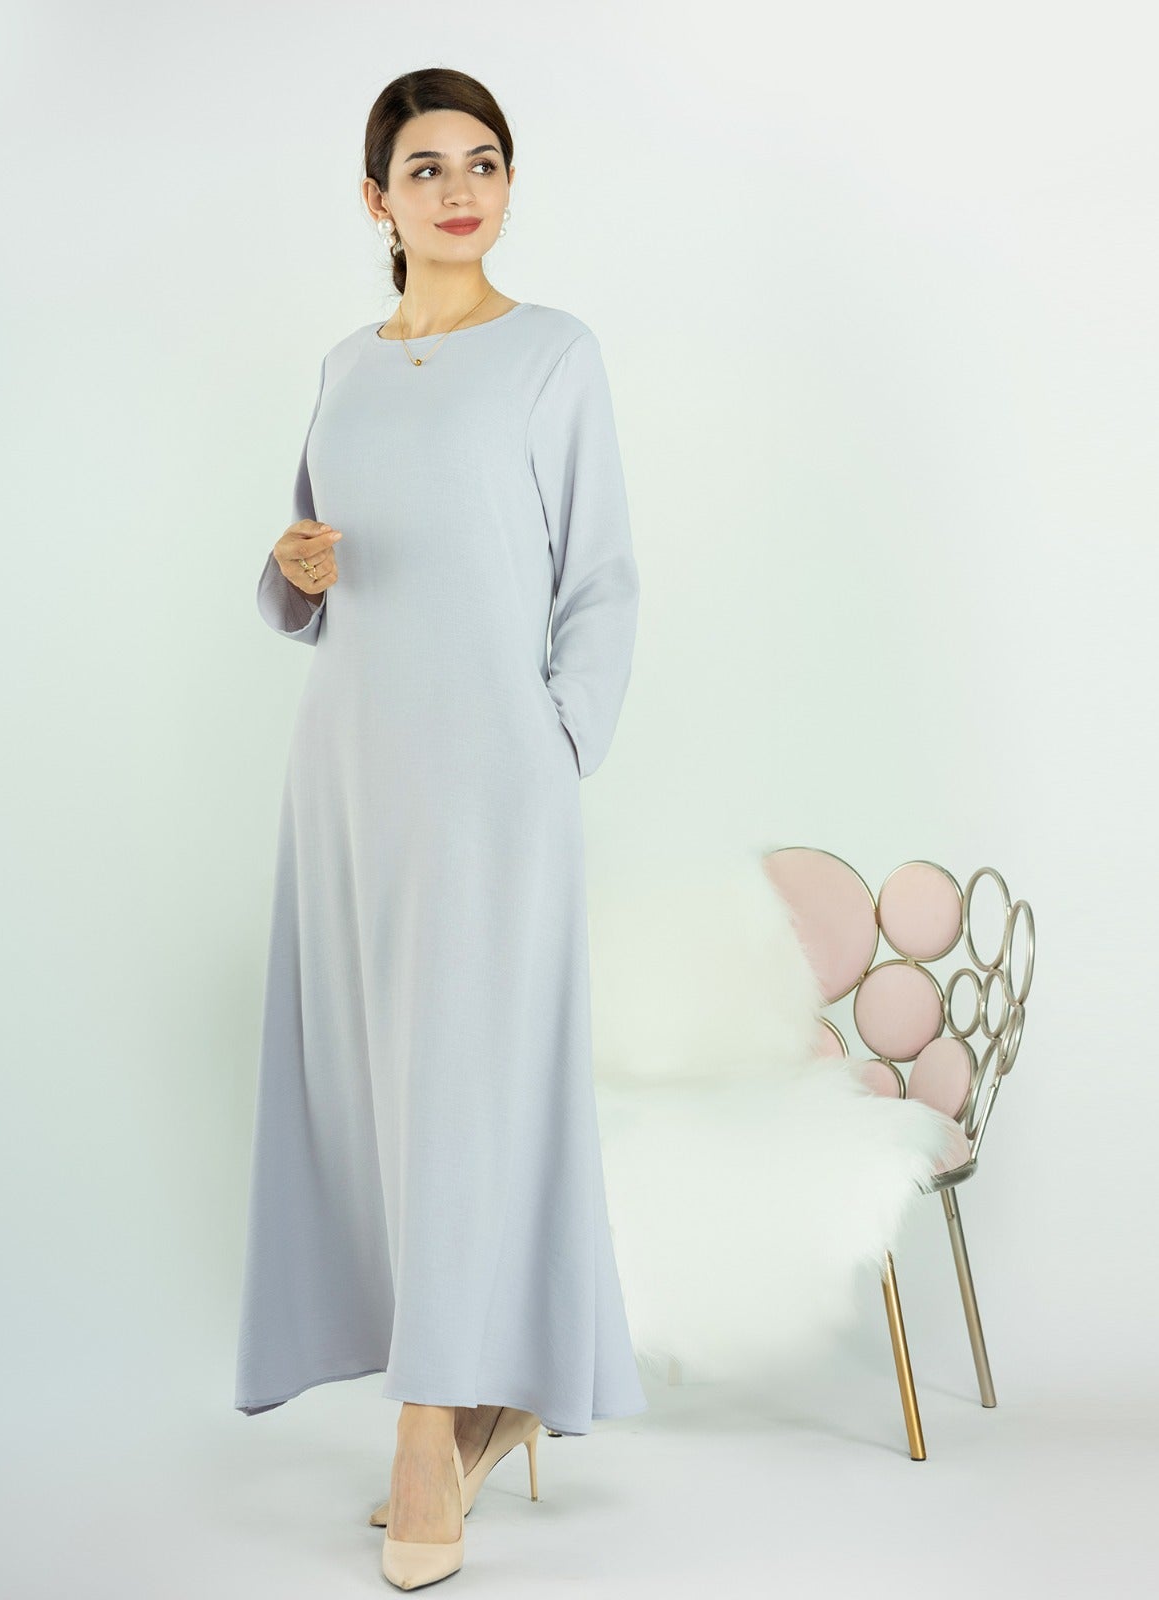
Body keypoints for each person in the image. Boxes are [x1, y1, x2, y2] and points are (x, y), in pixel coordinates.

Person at [234, 66, 646, 1589]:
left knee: (467, 1084)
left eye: (483, 162)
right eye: (426, 168)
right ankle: (473, 1392)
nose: (459, 189)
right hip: (350, 771)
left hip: (495, 778)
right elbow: (315, 569)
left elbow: (600, 575)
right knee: (374, 1093)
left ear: (507, 184)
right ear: (377, 199)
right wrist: (290, 568)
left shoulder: (553, 354)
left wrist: (559, 737)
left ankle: (428, 1429)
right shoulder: (344, 366)